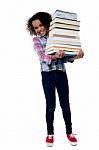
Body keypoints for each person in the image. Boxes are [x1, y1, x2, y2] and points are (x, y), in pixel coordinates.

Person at [26, 12, 84, 147]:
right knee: (51, 106)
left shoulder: (56, 37)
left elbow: (65, 58)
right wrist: (55, 56)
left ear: (47, 23)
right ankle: (50, 133)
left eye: (41, 25)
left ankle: (69, 132)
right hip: (47, 76)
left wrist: (76, 56)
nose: (39, 29)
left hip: (61, 74)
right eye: (36, 27)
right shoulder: (36, 40)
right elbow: (43, 57)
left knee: (66, 105)